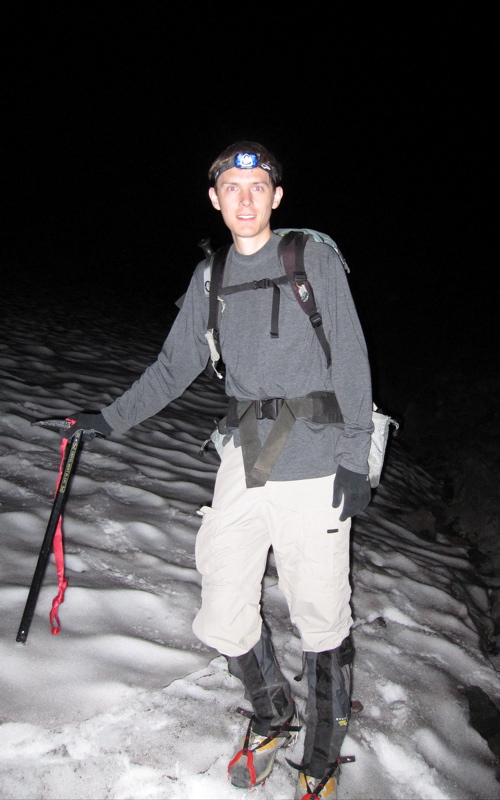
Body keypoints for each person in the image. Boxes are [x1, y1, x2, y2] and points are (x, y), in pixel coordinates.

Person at [58, 141, 374, 799]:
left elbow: (349, 356)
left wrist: (353, 459)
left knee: (320, 615)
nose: (245, 198)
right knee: (223, 605)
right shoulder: (211, 278)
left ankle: (319, 758)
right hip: (247, 454)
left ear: (276, 197)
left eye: (257, 187)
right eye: (231, 187)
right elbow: (175, 366)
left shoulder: (309, 257)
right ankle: (270, 713)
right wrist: (110, 419)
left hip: (317, 462)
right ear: (215, 199)